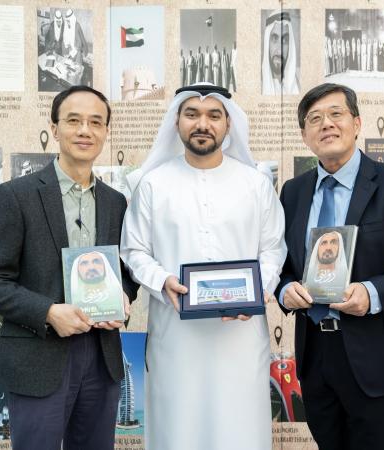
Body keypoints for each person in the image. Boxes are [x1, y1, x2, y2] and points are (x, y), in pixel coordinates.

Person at [275, 83, 384, 450]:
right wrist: (285, 290)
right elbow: (282, 265)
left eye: (336, 114)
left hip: (379, 356)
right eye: (314, 119)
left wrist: (371, 293)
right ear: (305, 136)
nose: (326, 125)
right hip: (316, 357)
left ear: (357, 123)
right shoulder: (293, 192)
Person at [121, 83, 286, 450]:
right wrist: (162, 281)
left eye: (214, 115)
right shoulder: (153, 184)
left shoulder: (255, 184)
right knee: (178, 431)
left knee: (239, 431)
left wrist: (257, 291)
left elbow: (273, 248)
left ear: (228, 123)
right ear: (177, 122)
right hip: (176, 340)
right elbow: (134, 251)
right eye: (192, 114)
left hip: (240, 340)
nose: (203, 124)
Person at [0, 85, 138, 450]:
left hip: (101, 356)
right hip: (39, 355)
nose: (85, 130)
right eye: (74, 121)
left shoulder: (115, 202)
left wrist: (123, 297)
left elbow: (126, 270)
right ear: (54, 126)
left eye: (96, 122)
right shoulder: (16, 195)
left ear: (106, 132)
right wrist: (48, 312)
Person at [262, 10, 300, 95]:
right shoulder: (258, 84)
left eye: (285, 40)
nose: (280, 50)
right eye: (274, 39)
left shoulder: (299, 82)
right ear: (267, 42)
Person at [304, 230, 348, 301]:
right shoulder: (306, 285)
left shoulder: (345, 283)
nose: (328, 248)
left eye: (333, 242)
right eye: (324, 243)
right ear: (317, 249)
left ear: (340, 248)